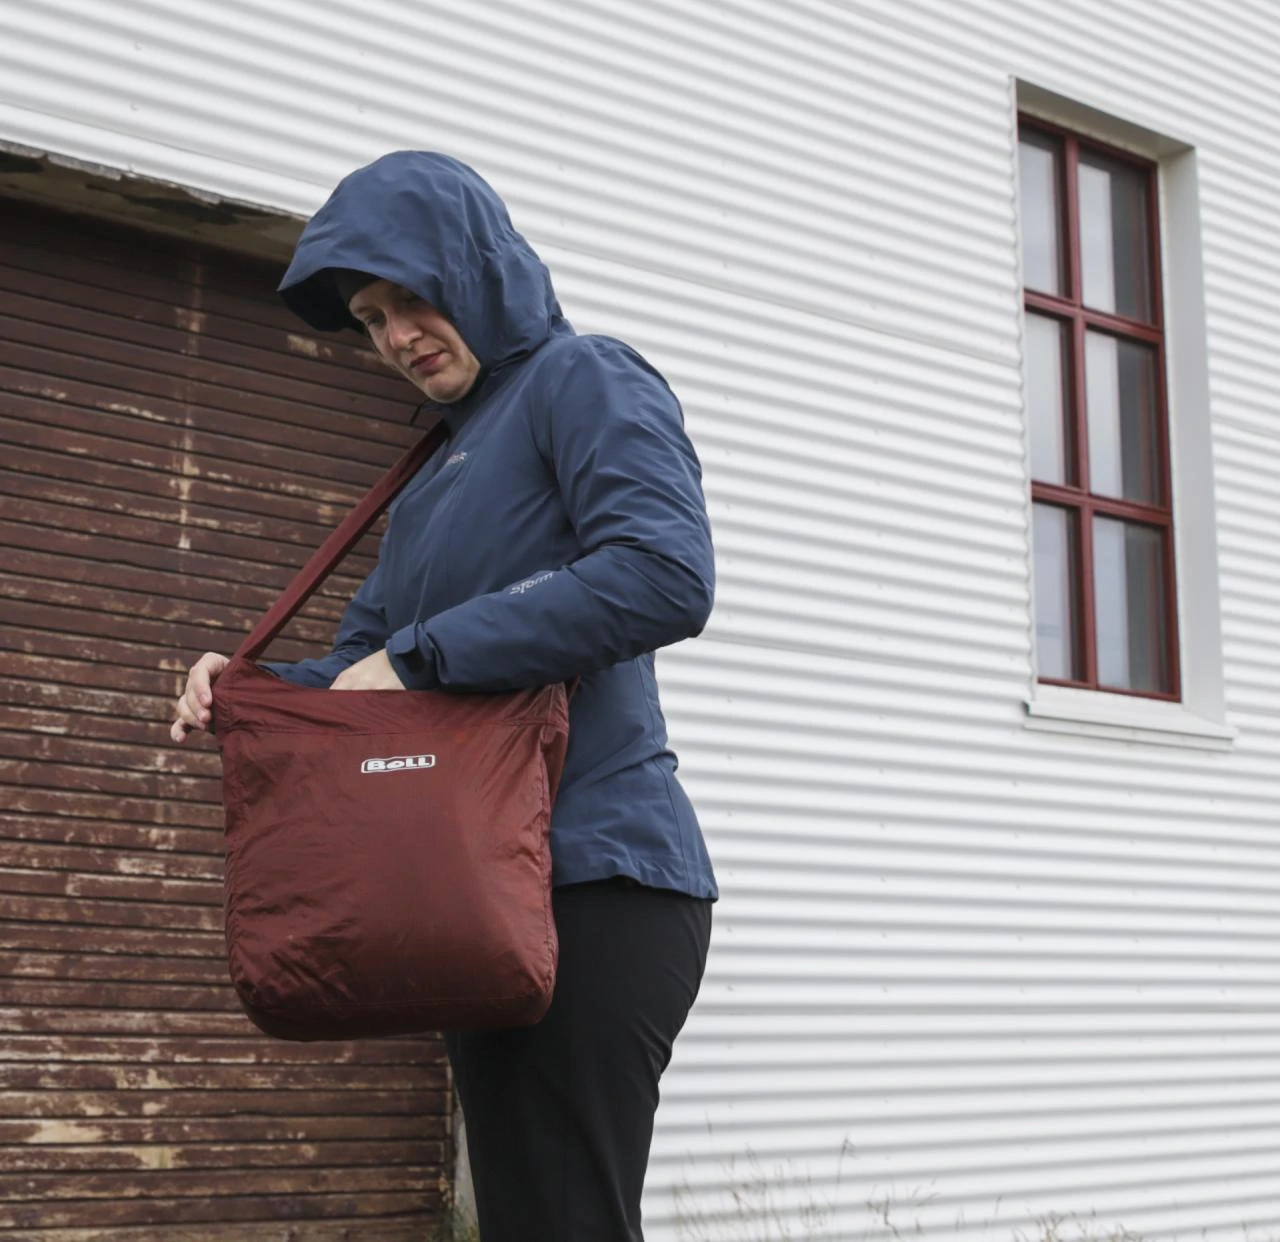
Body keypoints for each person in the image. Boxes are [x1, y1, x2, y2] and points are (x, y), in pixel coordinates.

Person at [170, 150, 718, 1241]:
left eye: (411, 297)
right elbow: (366, 665)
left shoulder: (585, 378)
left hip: (593, 880)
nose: (397, 336)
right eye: (370, 319)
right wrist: (255, 687)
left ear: (477, 268)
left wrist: (424, 657)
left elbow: (664, 573)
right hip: (481, 890)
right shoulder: (436, 473)